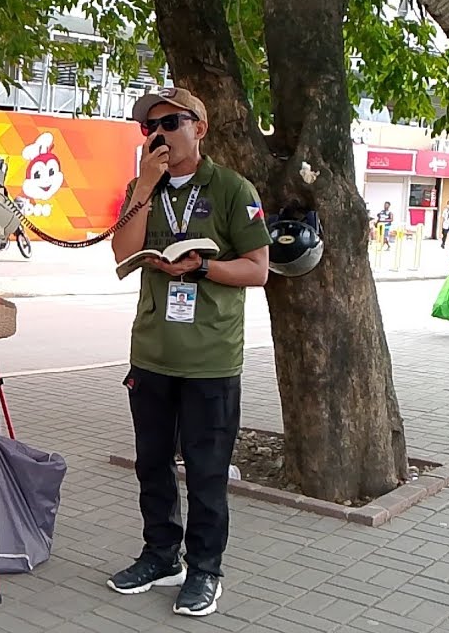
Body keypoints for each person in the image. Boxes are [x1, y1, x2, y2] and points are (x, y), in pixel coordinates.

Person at [108, 87, 271, 618]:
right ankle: (161, 555)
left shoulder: (230, 188)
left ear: (199, 128)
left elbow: (258, 268)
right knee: (152, 464)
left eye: (171, 122)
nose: (159, 133)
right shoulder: (143, 187)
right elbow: (124, 251)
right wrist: (147, 185)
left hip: (210, 359)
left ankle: (204, 569)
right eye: (149, 127)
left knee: (205, 472)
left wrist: (203, 268)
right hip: (153, 351)